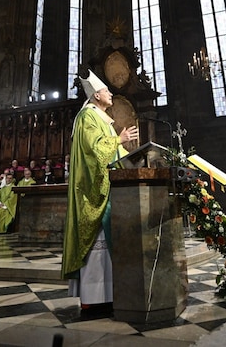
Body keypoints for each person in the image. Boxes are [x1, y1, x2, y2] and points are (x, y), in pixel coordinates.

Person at [62, 69, 139, 312]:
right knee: (97, 247)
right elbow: (95, 151)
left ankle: (107, 294)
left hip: (109, 188)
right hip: (94, 192)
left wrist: (133, 157)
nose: (111, 94)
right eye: (107, 91)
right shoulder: (88, 117)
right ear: (96, 95)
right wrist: (119, 140)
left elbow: (114, 155)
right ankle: (93, 298)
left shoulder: (101, 118)